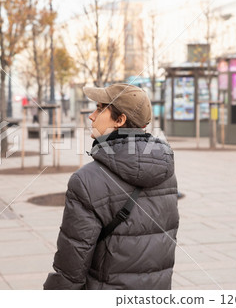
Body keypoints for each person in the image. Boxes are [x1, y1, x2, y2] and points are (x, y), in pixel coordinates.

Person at [44, 83, 179, 290]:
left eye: (99, 108)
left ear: (120, 120)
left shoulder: (86, 180)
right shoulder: (165, 172)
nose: (91, 116)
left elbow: (71, 267)